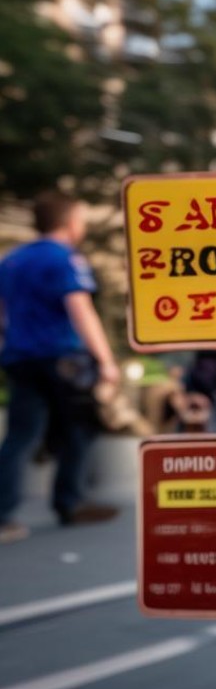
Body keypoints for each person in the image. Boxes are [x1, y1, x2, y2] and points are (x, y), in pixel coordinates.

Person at [0, 190, 121, 543]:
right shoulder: (65, 258)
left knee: (21, 436)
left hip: (20, 357)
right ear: (70, 222)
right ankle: (70, 501)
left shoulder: (12, 260)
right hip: (64, 358)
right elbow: (80, 309)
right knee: (81, 427)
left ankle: (3, 514)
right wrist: (105, 360)